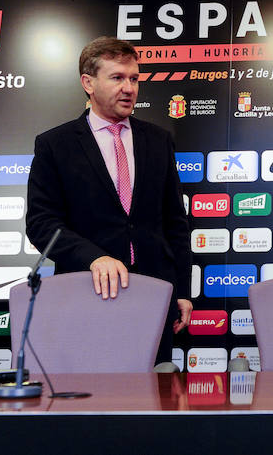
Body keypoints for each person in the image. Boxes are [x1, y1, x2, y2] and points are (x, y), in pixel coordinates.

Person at [26, 36, 193, 364]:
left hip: (153, 295)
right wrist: (93, 257)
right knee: (89, 403)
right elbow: (42, 224)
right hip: (85, 292)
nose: (129, 88)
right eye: (117, 77)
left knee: (151, 402)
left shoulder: (158, 140)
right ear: (88, 83)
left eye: (134, 78)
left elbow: (175, 222)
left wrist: (183, 291)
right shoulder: (55, 145)